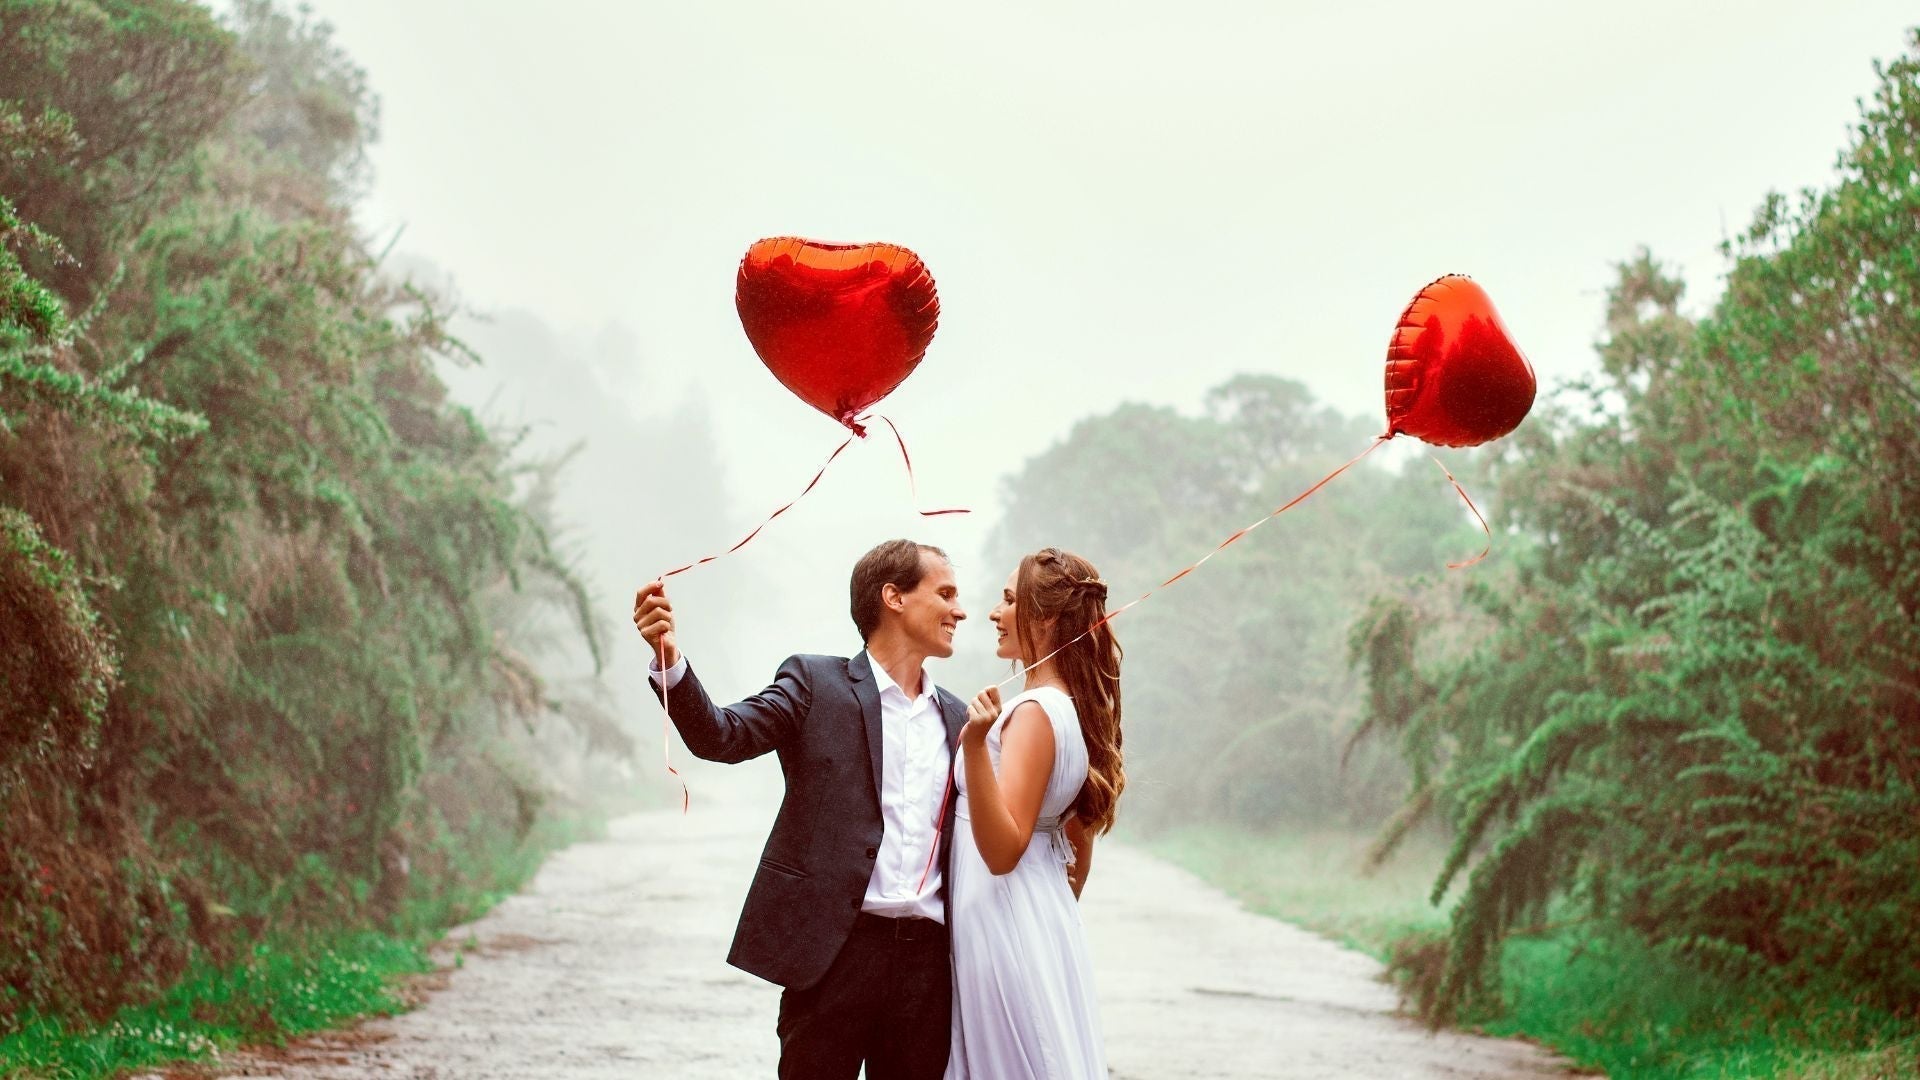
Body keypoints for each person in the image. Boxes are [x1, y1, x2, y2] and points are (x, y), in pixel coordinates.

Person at [632, 539, 968, 1080]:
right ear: (894, 598)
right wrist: (669, 659)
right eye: (945, 593)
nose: (960, 609)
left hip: (929, 971)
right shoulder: (816, 683)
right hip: (832, 958)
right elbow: (722, 736)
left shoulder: (960, 718)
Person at [946, 547, 1124, 1079]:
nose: (993, 614)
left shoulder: (1032, 714)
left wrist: (975, 744)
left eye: (1007, 600)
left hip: (1000, 919)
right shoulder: (1071, 708)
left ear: (1044, 617)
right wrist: (1039, 913)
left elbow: (1002, 852)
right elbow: (1078, 856)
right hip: (1037, 916)